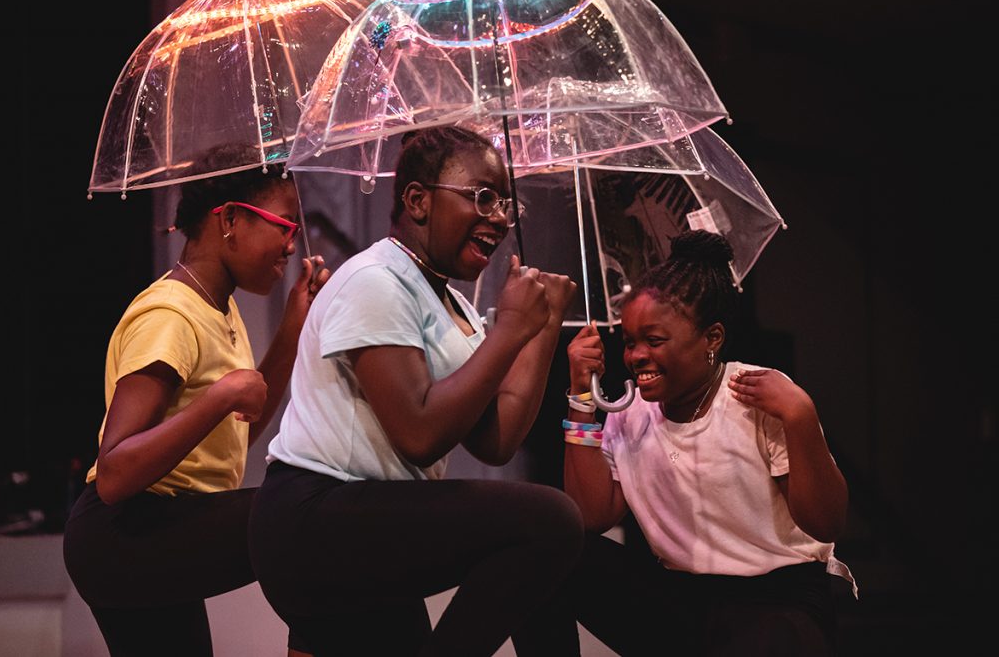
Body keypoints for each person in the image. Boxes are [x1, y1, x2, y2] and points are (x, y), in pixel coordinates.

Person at [247, 125, 585, 657]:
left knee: (545, 535)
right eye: (482, 196)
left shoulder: (454, 307)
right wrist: (510, 332)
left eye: (505, 204)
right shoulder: (375, 281)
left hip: (377, 519)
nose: (498, 216)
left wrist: (540, 332)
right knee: (550, 521)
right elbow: (420, 434)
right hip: (318, 520)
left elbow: (496, 442)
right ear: (417, 201)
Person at [512, 229, 857, 657]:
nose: (636, 355)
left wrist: (801, 417)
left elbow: (826, 523)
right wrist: (581, 397)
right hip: (681, 600)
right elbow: (592, 516)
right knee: (546, 550)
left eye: (654, 341)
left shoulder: (757, 396)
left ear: (712, 339)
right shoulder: (631, 409)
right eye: (630, 341)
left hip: (777, 601)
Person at [63, 145, 329, 657]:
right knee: (303, 517)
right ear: (230, 219)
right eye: (285, 226)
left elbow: (240, 430)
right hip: (127, 532)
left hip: (164, 524)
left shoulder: (216, 309)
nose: (292, 245)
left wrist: (294, 325)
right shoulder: (171, 315)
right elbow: (115, 474)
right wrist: (220, 396)